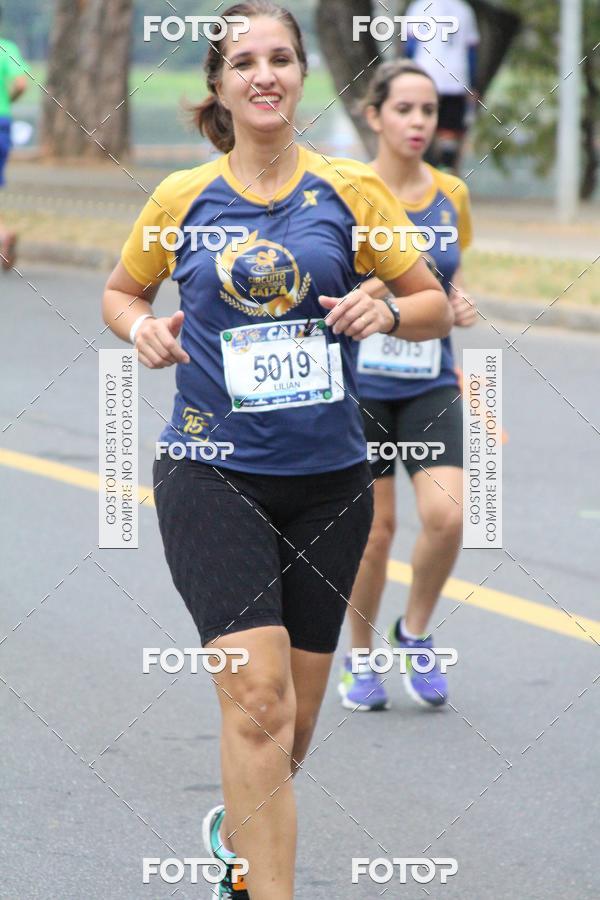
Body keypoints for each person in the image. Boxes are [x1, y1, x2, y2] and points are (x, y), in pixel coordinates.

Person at [102, 3, 452, 896]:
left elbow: (431, 303)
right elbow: (120, 290)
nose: (265, 74)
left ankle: (238, 838)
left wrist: (387, 308)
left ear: (301, 77)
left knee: (288, 724)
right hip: (210, 469)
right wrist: (140, 326)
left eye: (282, 59)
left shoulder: (349, 193)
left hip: (330, 480)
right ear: (217, 85)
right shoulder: (182, 197)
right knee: (257, 700)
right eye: (245, 61)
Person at [338, 60, 477, 713]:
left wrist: (454, 300)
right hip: (358, 379)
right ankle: (360, 656)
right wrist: (386, 288)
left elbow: (445, 278)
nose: (419, 122)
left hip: (428, 378)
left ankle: (413, 630)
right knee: (373, 532)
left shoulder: (451, 193)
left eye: (428, 111)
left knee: (447, 514)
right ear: (375, 115)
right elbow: (323, 281)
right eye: (404, 110)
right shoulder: (343, 191)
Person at [404, 0, 480, 173]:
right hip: (456, 78)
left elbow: (410, 46)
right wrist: (473, 84)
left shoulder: (419, 7)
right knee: (450, 130)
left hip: (424, 77)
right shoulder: (464, 9)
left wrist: (406, 76)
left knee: (421, 124)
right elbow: (471, 51)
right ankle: (445, 168)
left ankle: (425, 169)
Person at [0, 3, 27, 270]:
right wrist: (7, 100)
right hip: (3, 121)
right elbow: (21, 83)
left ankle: (2, 235)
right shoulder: (8, 48)